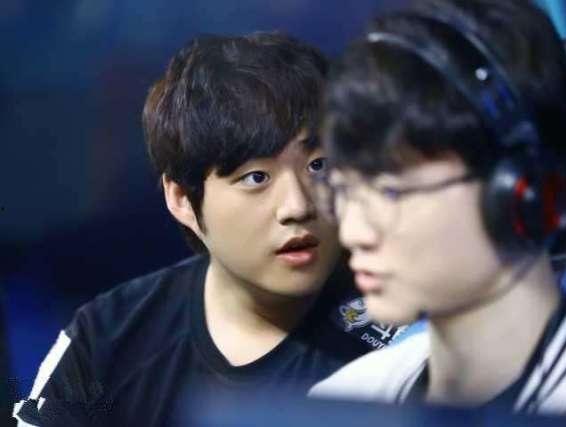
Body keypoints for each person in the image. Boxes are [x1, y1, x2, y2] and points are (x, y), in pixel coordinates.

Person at [14, 32, 398, 427]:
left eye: (318, 165)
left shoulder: (403, 333)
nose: (298, 206)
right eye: (256, 177)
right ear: (182, 199)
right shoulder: (110, 335)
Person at [308, 0, 566, 422]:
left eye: (391, 192)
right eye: (343, 190)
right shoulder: (340, 402)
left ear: (520, 193)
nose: (353, 231)